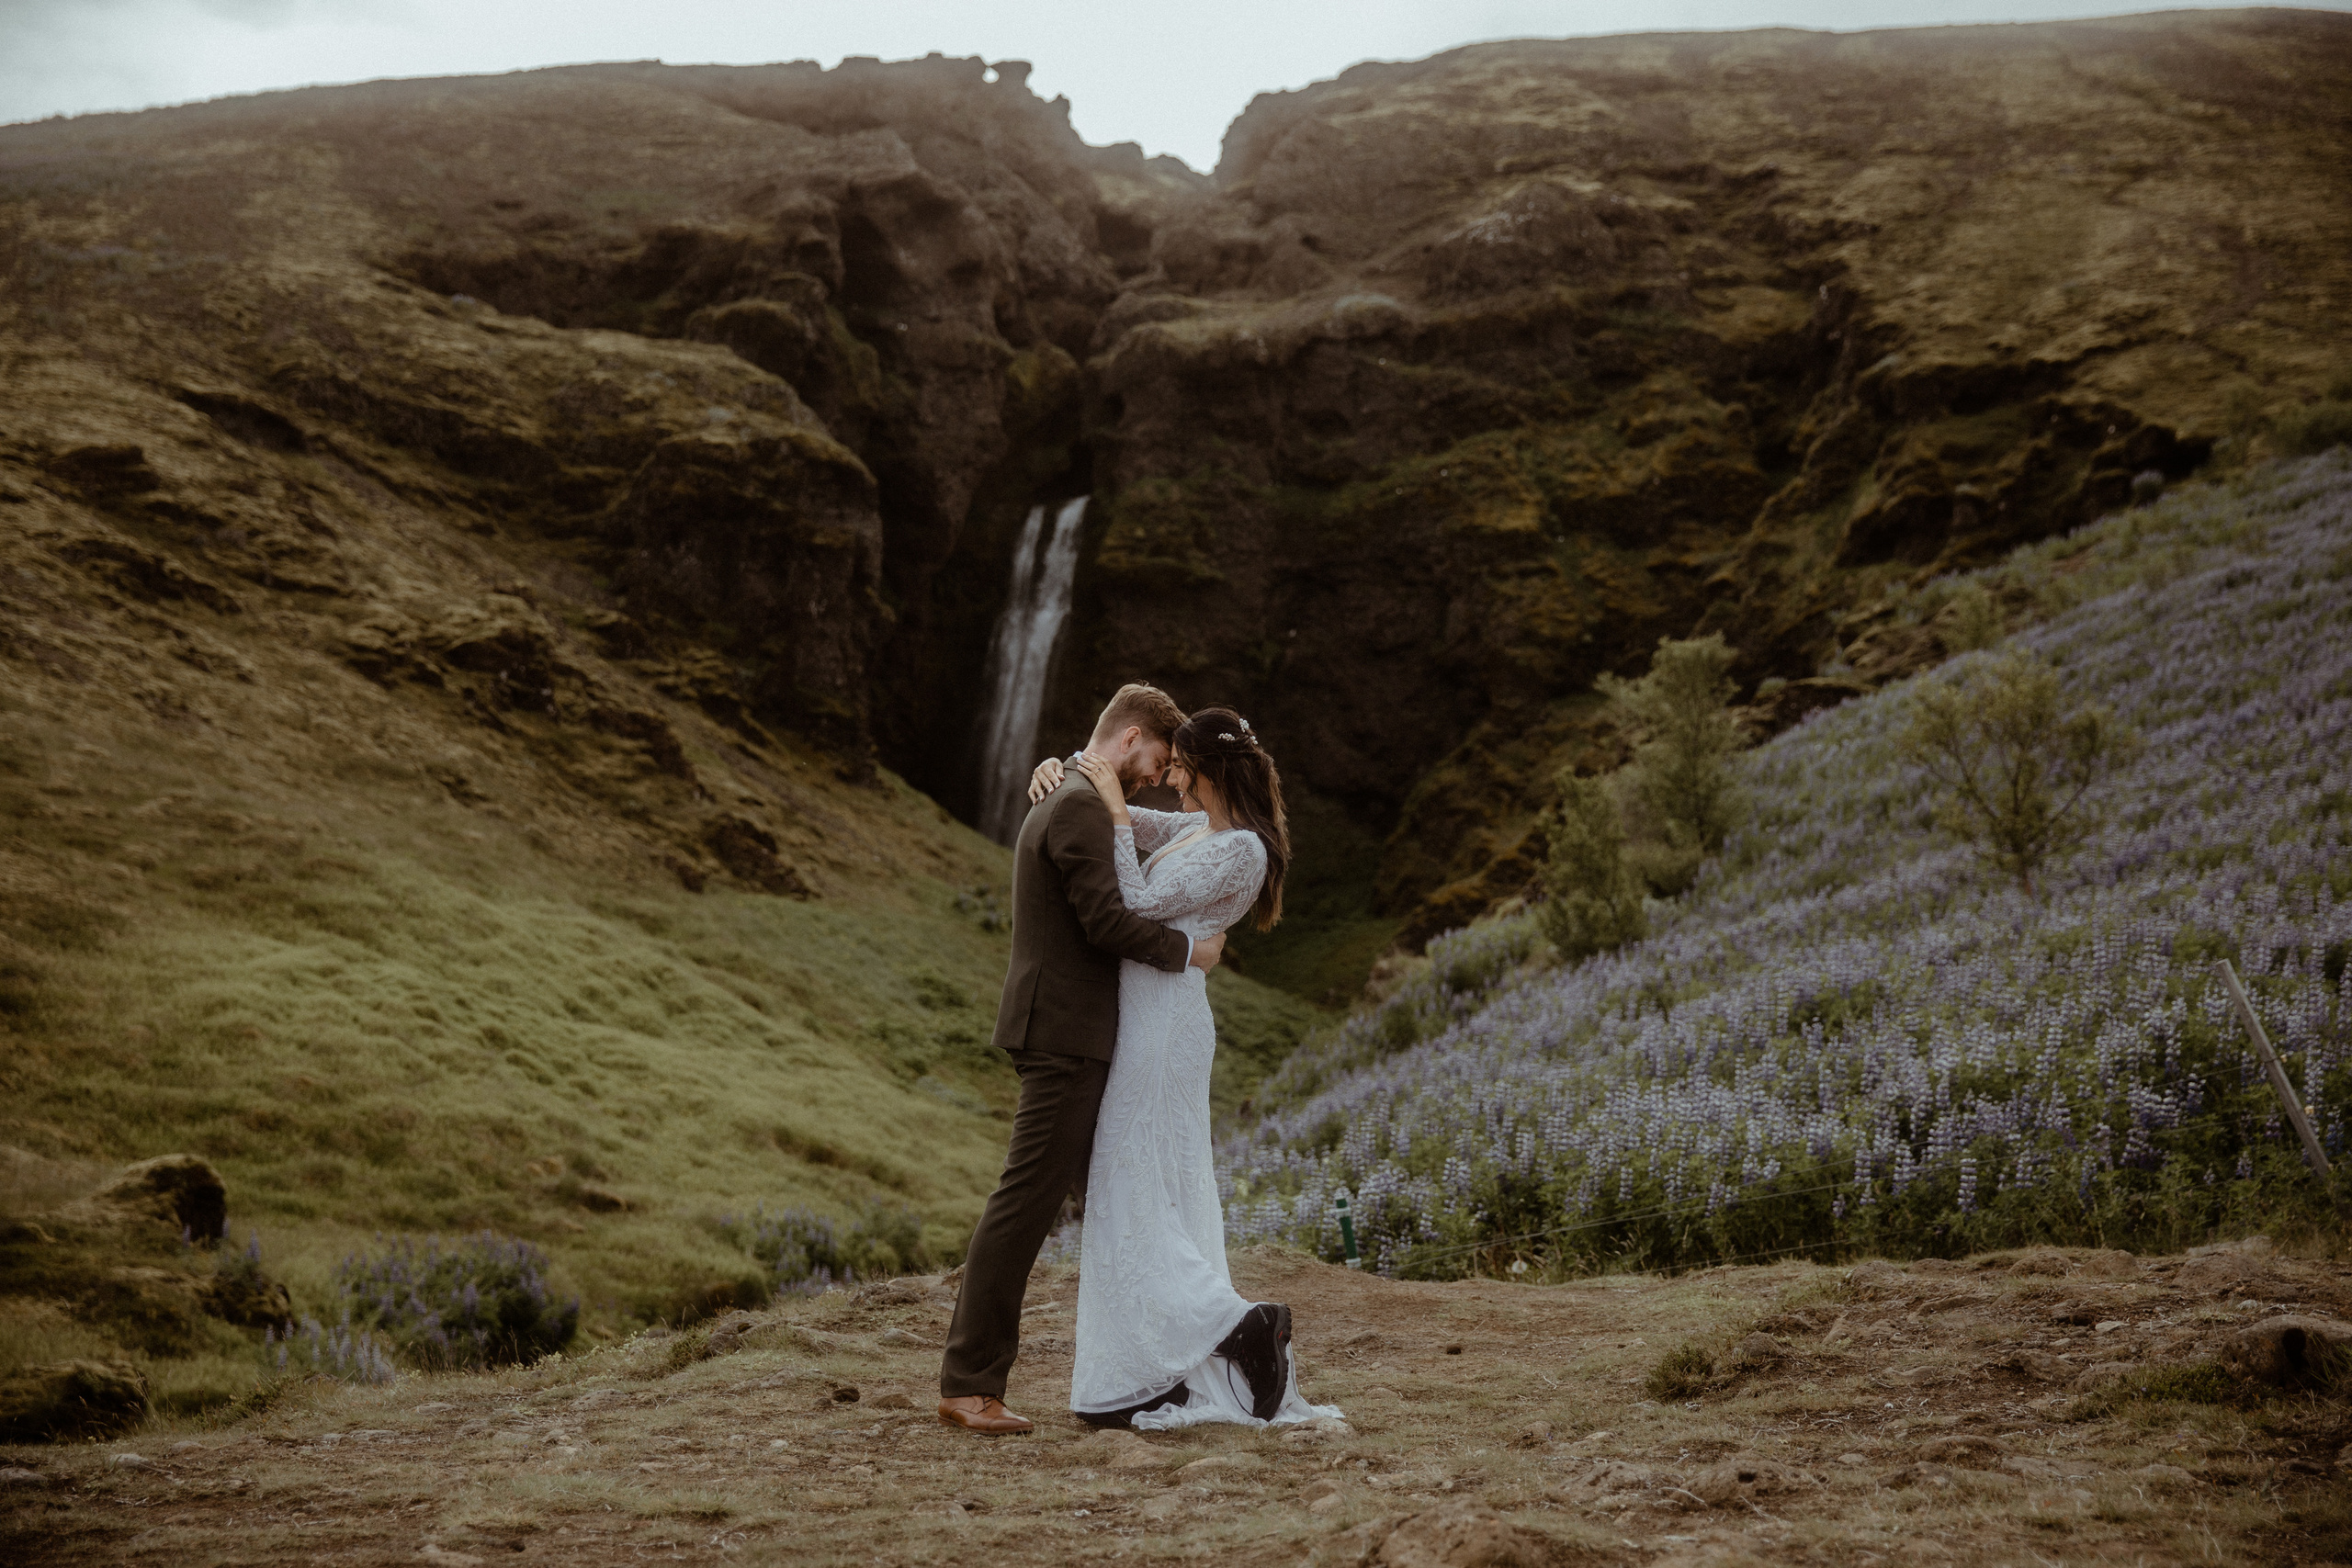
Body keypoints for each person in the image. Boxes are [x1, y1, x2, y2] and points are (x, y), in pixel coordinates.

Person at [1029, 707, 1341, 1432]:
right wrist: (1064, 768)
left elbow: (1135, 896)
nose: (1167, 777)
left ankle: (1240, 1326)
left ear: (1208, 768)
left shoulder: (1241, 851)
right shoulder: (1200, 829)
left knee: (1128, 1178)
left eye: (1178, 767)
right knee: (1143, 1184)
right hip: (1148, 1014)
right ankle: (1143, 1374)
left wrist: (1108, 806)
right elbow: (1132, 827)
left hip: (1162, 1027)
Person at [936, 683, 1227, 1436]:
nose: (1152, 776)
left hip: (1065, 1030)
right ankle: (970, 1384)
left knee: (1096, 1199)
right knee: (1025, 1202)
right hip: (1063, 1035)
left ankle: (1147, 1369)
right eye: (1155, 760)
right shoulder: (1077, 805)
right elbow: (1105, 921)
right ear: (1130, 738)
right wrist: (1190, 952)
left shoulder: (1068, 791)